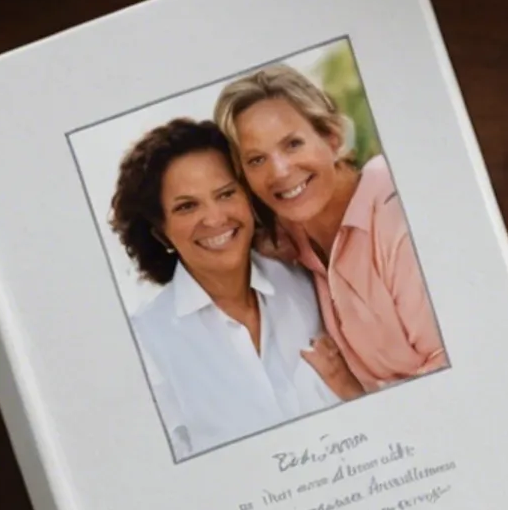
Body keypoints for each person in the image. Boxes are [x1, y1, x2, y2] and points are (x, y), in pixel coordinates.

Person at [106, 118, 359, 460]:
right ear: (161, 232)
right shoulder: (144, 344)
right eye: (186, 206)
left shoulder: (307, 286)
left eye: (226, 194)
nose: (214, 218)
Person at [216, 64, 448, 391]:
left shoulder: (395, 212)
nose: (279, 171)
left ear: (331, 136)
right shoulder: (289, 236)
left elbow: (449, 368)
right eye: (256, 160)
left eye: (293, 144)